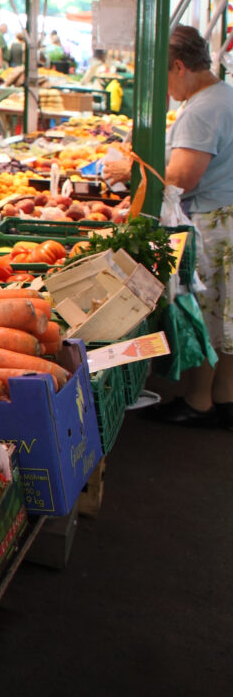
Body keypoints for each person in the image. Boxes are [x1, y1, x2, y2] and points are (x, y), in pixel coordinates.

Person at [101, 27, 233, 427]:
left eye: (161, 76)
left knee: (206, 314)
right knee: (224, 316)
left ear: (178, 66)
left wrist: (130, 171)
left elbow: (182, 176)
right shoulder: (222, 94)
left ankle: (198, 402)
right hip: (223, 216)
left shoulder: (203, 109)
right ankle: (224, 400)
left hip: (213, 224)